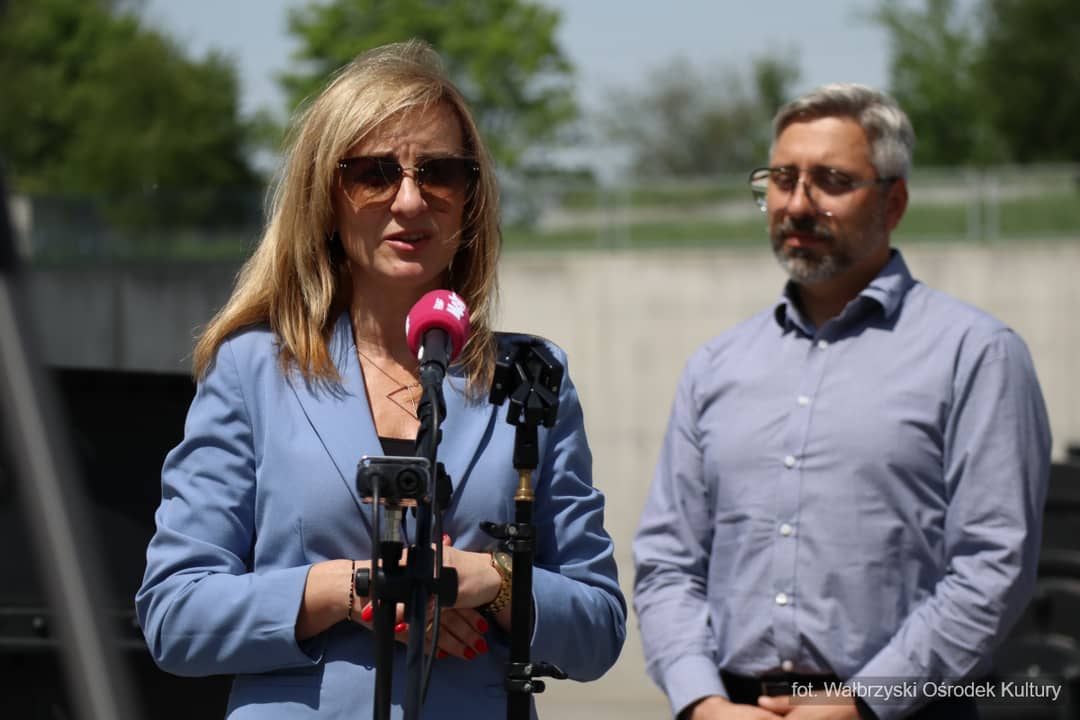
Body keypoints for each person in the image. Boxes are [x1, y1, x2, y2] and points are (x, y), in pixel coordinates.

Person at [136, 39, 625, 719]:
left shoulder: (532, 376)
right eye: (373, 173)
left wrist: (492, 581)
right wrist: (352, 590)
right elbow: (175, 615)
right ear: (325, 198)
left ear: (470, 198)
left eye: (440, 173)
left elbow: (599, 629)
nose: (410, 200)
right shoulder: (253, 370)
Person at [633, 83, 1051, 720]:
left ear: (894, 201)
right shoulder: (716, 367)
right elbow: (668, 562)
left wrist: (864, 702)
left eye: (831, 180)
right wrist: (701, 700)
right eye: (782, 179)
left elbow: (994, 565)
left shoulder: (976, 354)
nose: (798, 203)